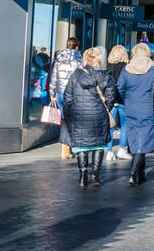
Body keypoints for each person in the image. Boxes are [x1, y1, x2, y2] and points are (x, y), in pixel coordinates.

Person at [61, 47, 117, 189]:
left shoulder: (75, 76)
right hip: (99, 116)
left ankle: (82, 175)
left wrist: (69, 115)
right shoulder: (106, 77)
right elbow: (111, 99)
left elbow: (67, 98)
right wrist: (105, 110)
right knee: (99, 146)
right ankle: (95, 175)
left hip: (79, 117)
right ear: (98, 59)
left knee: (81, 147)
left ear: (85, 59)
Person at [115, 43, 154, 185]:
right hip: (149, 108)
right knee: (143, 141)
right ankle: (134, 173)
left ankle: (139, 172)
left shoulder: (127, 69)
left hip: (131, 108)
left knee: (135, 139)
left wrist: (126, 99)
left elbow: (120, 88)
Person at [50, 36, 82, 160]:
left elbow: (54, 76)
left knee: (64, 120)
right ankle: (71, 147)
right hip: (73, 92)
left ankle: (65, 149)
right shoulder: (78, 58)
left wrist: (52, 92)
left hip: (59, 92)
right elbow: (81, 76)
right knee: (73, 119)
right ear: (76, 47)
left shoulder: (58, 58)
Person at [106, 45, 131, 160]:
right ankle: (122, 149)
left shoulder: (107, 67)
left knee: (110, 126)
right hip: (123, 100)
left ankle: (109, 152)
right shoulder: (127, 67)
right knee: (125, 125)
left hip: (110, 100)